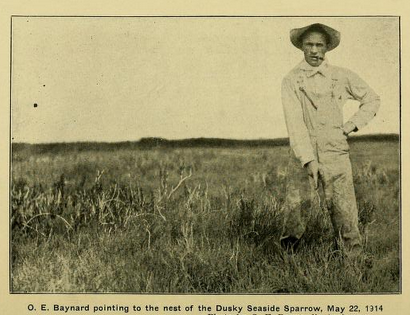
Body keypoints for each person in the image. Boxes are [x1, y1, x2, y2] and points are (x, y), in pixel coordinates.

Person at [280, 23, 380, 254]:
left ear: (327, 48)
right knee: (296, 209)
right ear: (301, 47)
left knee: (344, 210)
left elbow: (372, 99)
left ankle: (352, 263)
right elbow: (295, 123)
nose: (314, 50)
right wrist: (308, 159)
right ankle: (288, 260)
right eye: (309, 45)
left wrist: (350, 126)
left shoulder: (341, 76)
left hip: (335, 151)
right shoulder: (291, 80)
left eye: (319, 45)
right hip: (302, 152)